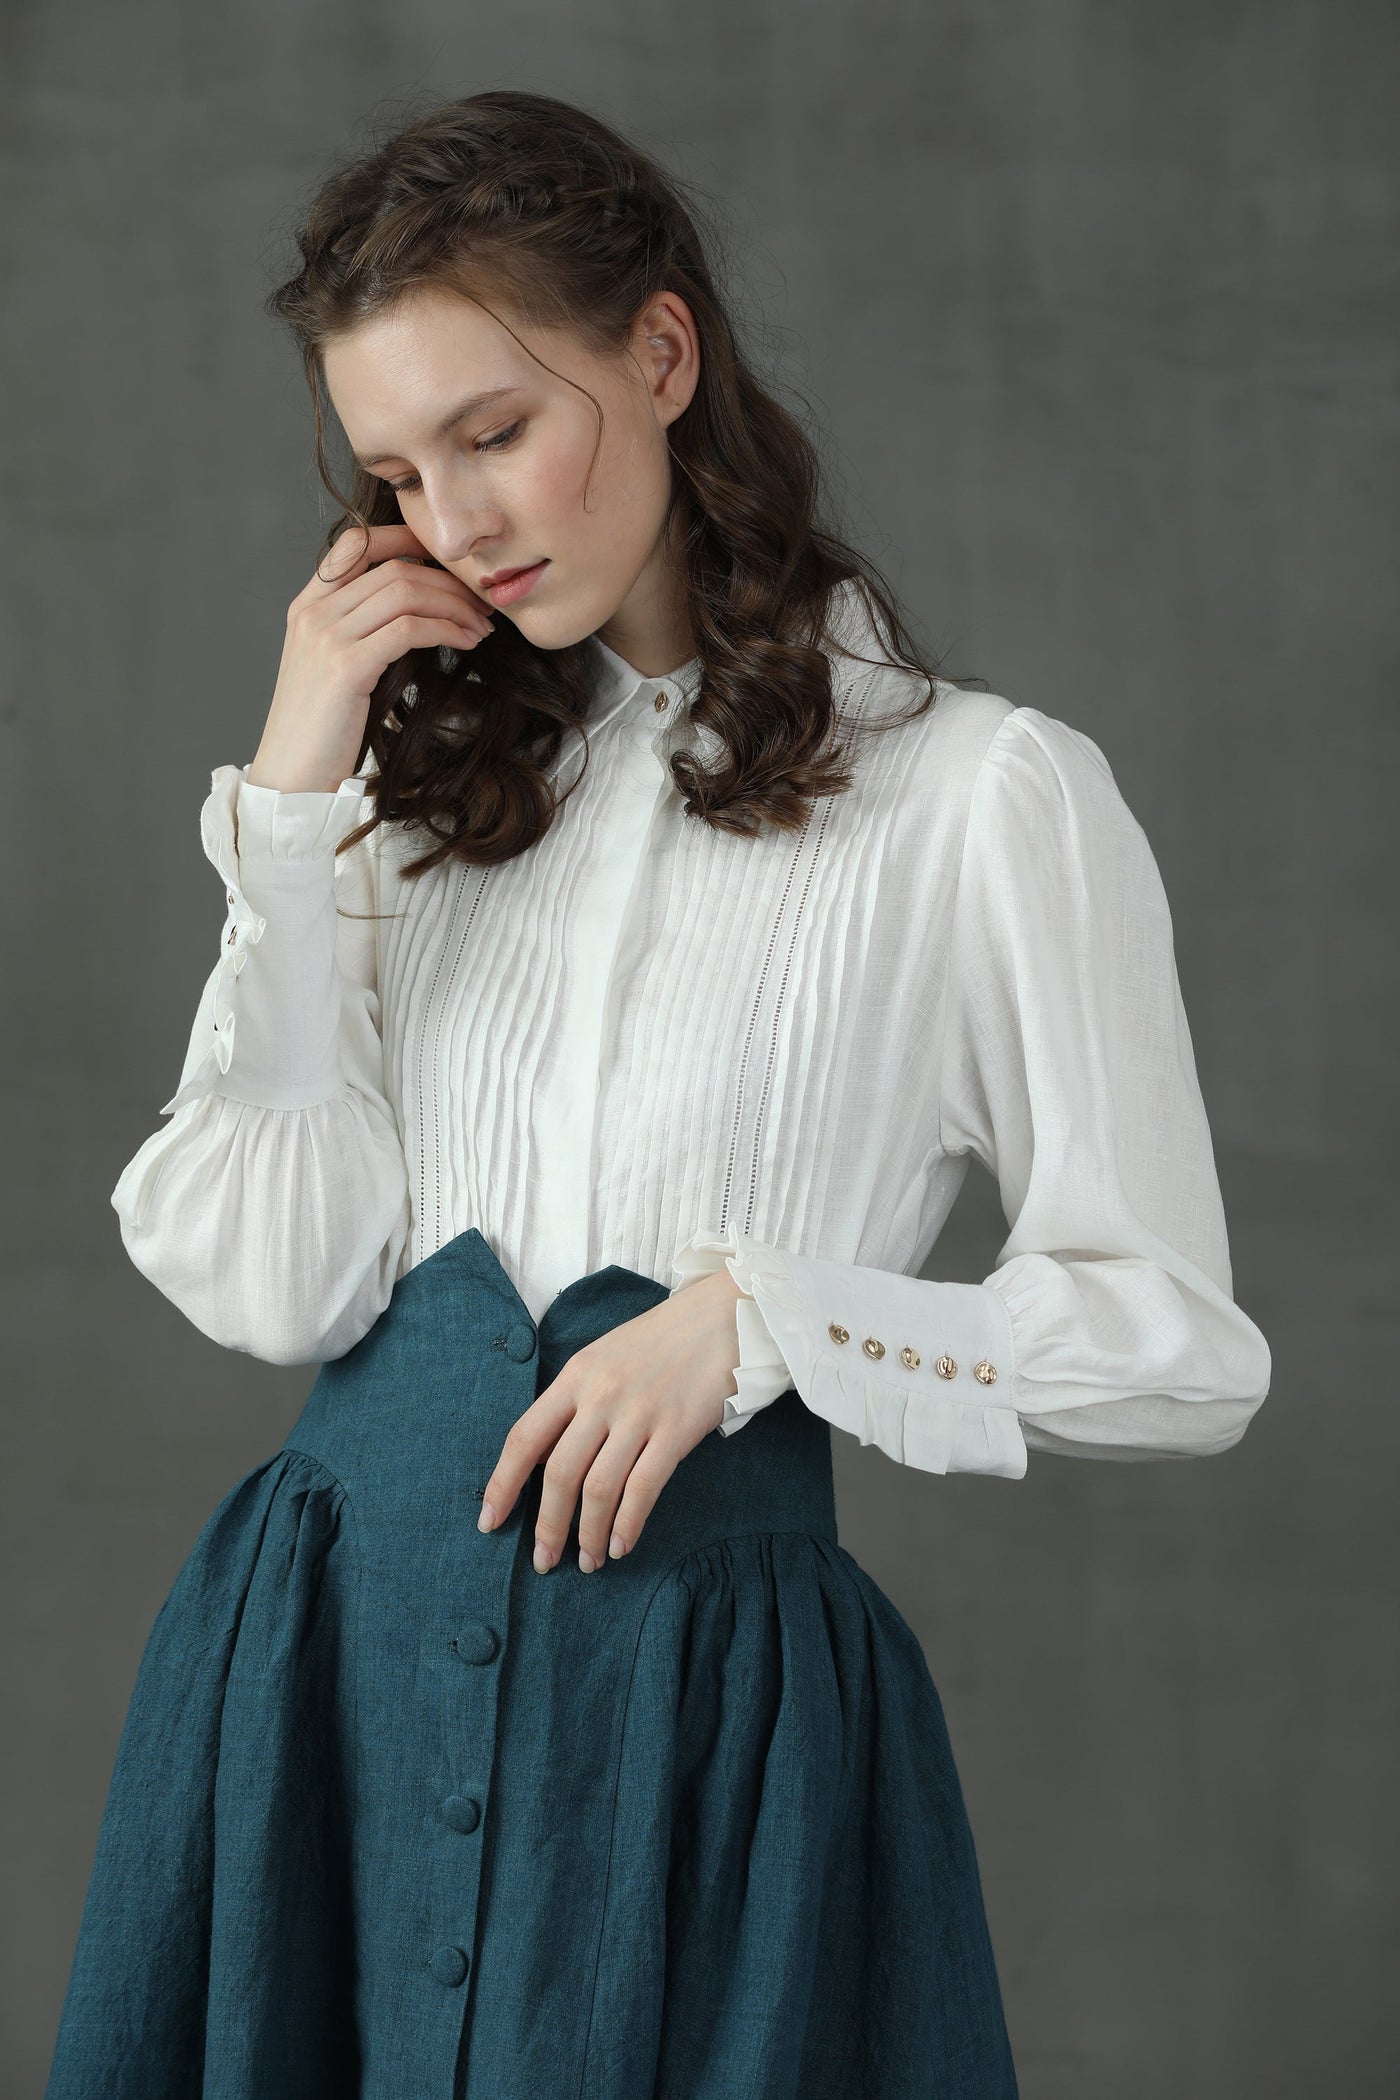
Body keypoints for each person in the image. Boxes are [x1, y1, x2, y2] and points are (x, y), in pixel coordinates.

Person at [45, 87, 1271, 2100]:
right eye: (397, 473)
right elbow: (277, 1286)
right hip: (319, 1690)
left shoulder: (984, 799)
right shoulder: (400, 803)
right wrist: (290, 795)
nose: (455, 522)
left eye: (494, 431)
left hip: (709, 1754)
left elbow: (1180, 1353)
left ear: (663, 353)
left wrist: (769, 1321)